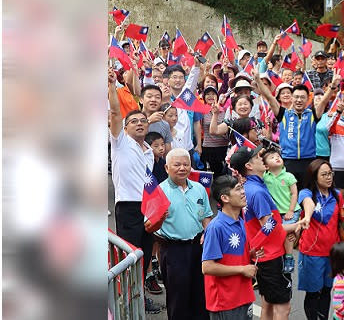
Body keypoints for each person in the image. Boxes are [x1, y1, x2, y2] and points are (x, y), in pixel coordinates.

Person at [108, 69, 160, 313]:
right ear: (125, 128)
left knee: (144, 256)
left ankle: (138, 297)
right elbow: (117, 113)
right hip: (128, 207)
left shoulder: (150, 151)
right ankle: (125, 302)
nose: (139, 124)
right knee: (129, 257)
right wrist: (111, 86)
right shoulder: (120, 142)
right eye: (134, 122)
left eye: (143, 121)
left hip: (148, 209)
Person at [230, 146, 294, 320]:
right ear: (249, 166)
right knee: (283, 308)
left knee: (267, 305)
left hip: (264, 255)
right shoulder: (256, 192)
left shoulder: (249, 187)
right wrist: (294, 226)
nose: (261, 158)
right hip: (271, 255)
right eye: (256, 157)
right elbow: (269, 225)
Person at [154, 148, 213, 320]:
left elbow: (206, 216)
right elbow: (149, 226)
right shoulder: (159, 191)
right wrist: (158, 219)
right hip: (173, 250)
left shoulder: (199, 188)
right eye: (177, 164)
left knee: (200, 295)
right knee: (178, 297)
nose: (182, 168)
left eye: (186, 164)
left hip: (198, 247)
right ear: (166, 168)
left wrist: (207, 235)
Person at [201, 175, 260, 320]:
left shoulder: (240, 222)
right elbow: (207, 267)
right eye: (238, 189)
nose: (243, 192)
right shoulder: (216, 227)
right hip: (225, 301)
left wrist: (250, 254)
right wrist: (242, 269)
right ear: (225, 198)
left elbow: (233, 256)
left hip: (244, 295)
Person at [298, 159, 344, 320]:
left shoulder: (337, 195)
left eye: (330, 173)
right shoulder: (306, 193)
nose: (328, 177)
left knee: (326, 290)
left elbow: (343, 221)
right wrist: (308, 217)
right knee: (312, 293)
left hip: (332, 253)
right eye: (324, 174)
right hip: (312, 253)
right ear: (314, 176)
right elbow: (308, 204)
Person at [261, 147, 301, 274]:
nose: (276, 158)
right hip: (277, 213)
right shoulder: (265, 177)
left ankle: (289, 258)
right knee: (280, 233)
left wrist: (290, 210)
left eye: (278, 156)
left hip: (292, 210)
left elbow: (294, 194)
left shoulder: (289, 176)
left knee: (288, 232)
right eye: (272, 158)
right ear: (266, 166)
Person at [201, 86, 230, 177]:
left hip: (223, 146)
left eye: (213, 94)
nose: (210, 96)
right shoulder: (202, 111)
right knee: (215, 175)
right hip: (209, 147)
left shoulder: (224, 110)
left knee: (224, 173)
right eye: (208, 94)